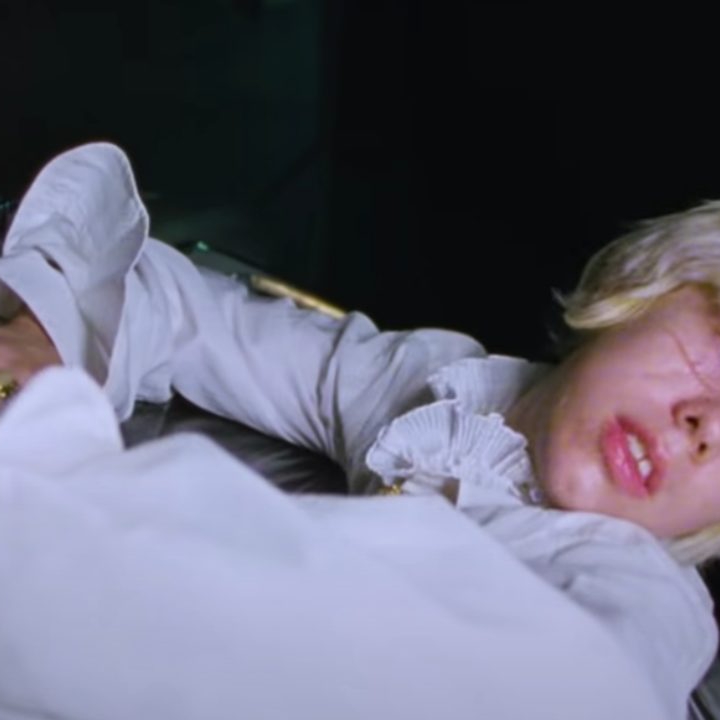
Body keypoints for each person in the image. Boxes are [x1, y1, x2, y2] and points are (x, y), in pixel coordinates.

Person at [0, 142, 714, 720]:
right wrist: (49, 337)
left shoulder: (642, 605)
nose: (706, 425)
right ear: (649, 286)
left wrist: (47, 453)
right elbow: (198, 320)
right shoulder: (446, 387)